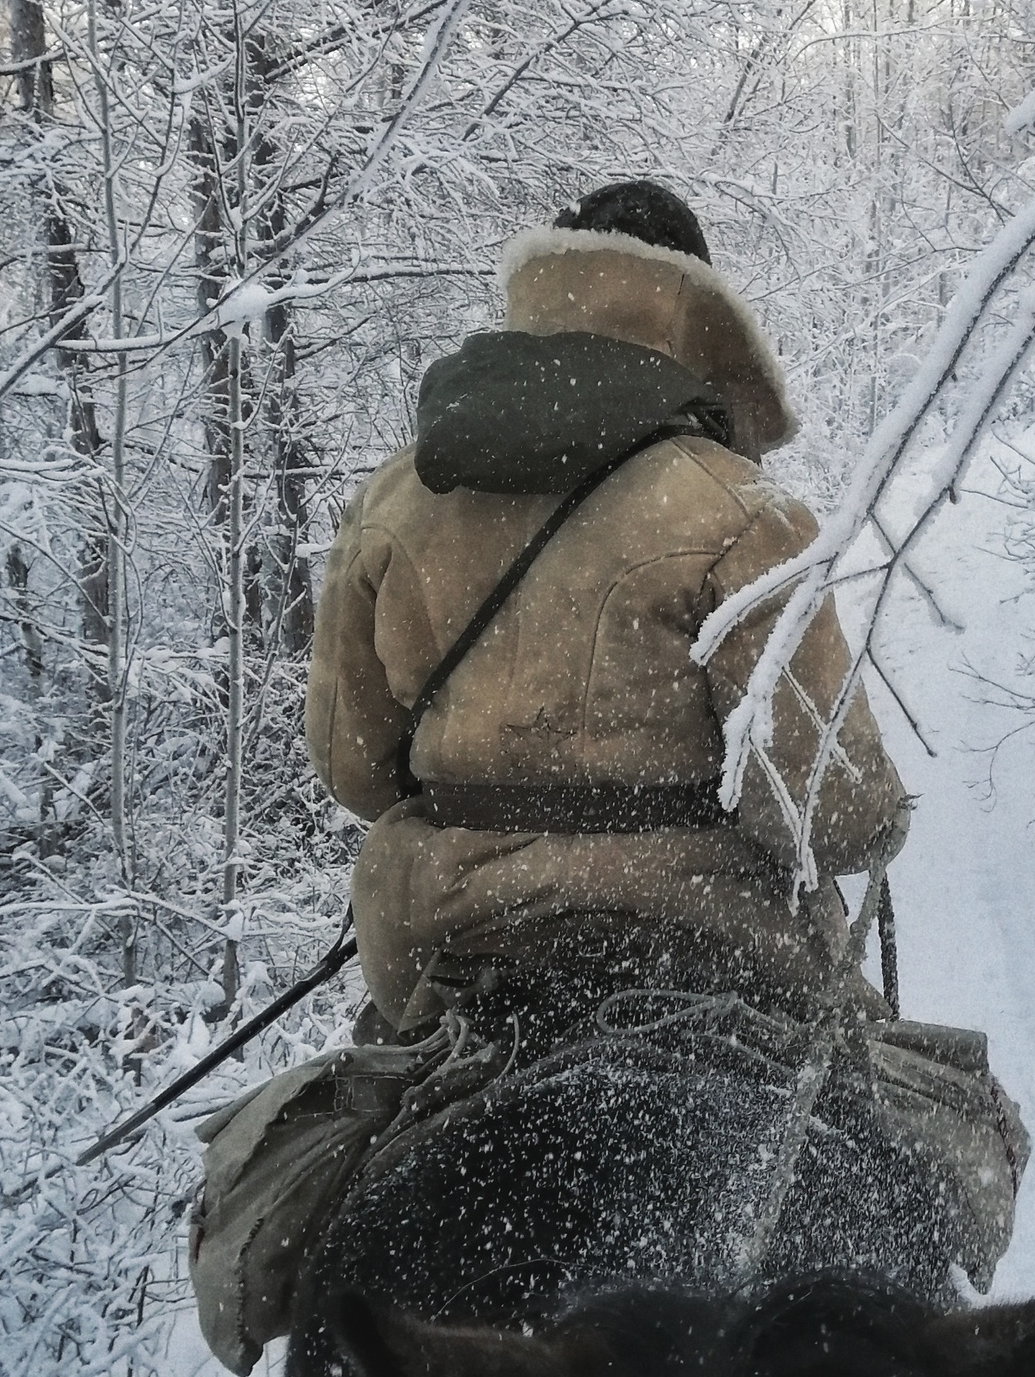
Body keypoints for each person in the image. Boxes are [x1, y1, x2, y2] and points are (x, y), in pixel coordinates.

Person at [304, 180, 909, 1034]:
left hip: (446, 944)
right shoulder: (742, 511)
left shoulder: (392, 499)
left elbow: (352, 767)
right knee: (938, 1132)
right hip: (703, 946)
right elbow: (830, 817)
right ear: (694, 318)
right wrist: (879, 816)